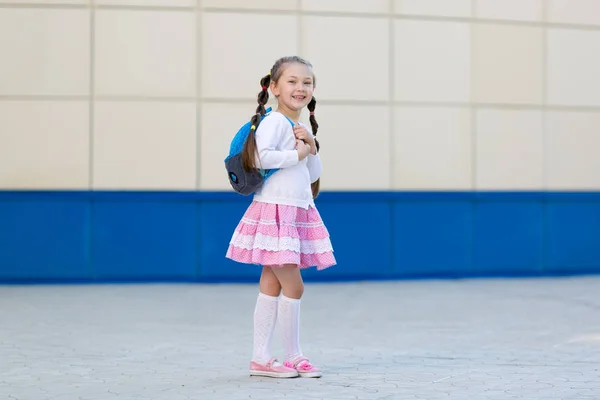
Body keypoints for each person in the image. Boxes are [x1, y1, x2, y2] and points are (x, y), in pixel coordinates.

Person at [226, 56, 336, 379]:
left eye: (307, 83)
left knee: (271, 284)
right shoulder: (274, 122)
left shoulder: (297, 127)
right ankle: (293, 356)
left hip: (293, 210)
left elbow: (312, 173)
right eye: (292, 81)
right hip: (275, 210)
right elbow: (260, 157)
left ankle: (261, 358)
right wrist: (297, 153)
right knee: (294, 286)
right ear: (274, 87)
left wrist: (311, 147)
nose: (300, 88)